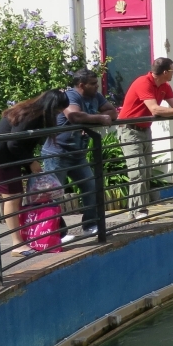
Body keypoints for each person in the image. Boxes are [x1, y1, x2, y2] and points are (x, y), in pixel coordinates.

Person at [0, 91, 70, 253]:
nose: (59, 115)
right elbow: (14, 144)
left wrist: (30, 167)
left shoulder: (34, 112)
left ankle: (20, 239)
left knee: (15, 198)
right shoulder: (30, 116)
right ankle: (17, 244)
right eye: (58, 111)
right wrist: (31, 162)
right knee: (12, 198)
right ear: (51, 107)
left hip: (8, 157)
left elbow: (22, 145)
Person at [41, 69, 118, 237]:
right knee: (54, 194)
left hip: (78, 154)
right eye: (93, 84)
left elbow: (113, 112)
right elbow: (74, 116)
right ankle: (56, 235)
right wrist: (99, 118)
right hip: (57, 153)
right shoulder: (70, 96)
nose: (97, 86)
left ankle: (90, 225)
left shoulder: (95, 96)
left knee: (91, 187)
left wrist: (93, 117)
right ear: (81, 85)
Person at [118, 57, 173, 220]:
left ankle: (137, 211)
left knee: (145, 171)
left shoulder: (164, 86)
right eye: (172, 71)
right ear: (165, 72)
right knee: (137, 171)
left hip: (145, 130)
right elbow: (155, 109)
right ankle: (138, 211)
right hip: (130, 131)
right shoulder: (143, 82)